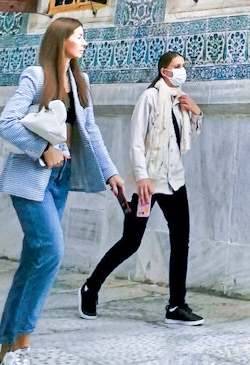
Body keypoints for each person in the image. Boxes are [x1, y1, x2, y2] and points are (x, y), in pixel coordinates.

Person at [0, 17, 125, 365]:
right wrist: (42, 149)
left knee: (33, 261)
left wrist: (110, 172)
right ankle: (22, 344)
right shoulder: (36, 76)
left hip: (60, 180)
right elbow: (6, 123)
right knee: (51, 251)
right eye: (78, 36)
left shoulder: (78, 81)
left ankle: (7, 347)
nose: (83, 43)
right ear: (61, 39)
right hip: (31, 178)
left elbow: (91, 131)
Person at [78, 51, 205, 326]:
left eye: (183, 66)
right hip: (148, 183)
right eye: (177, 66)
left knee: (180, 240)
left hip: (175, 181)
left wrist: (196, 114)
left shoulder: (179, 100)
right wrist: (141, 177)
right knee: (131, 241)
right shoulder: (149, 98)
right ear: (164, 71)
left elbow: (187, 140)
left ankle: (176, 305)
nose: (182, 70)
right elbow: (136, 140)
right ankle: (91, 287)